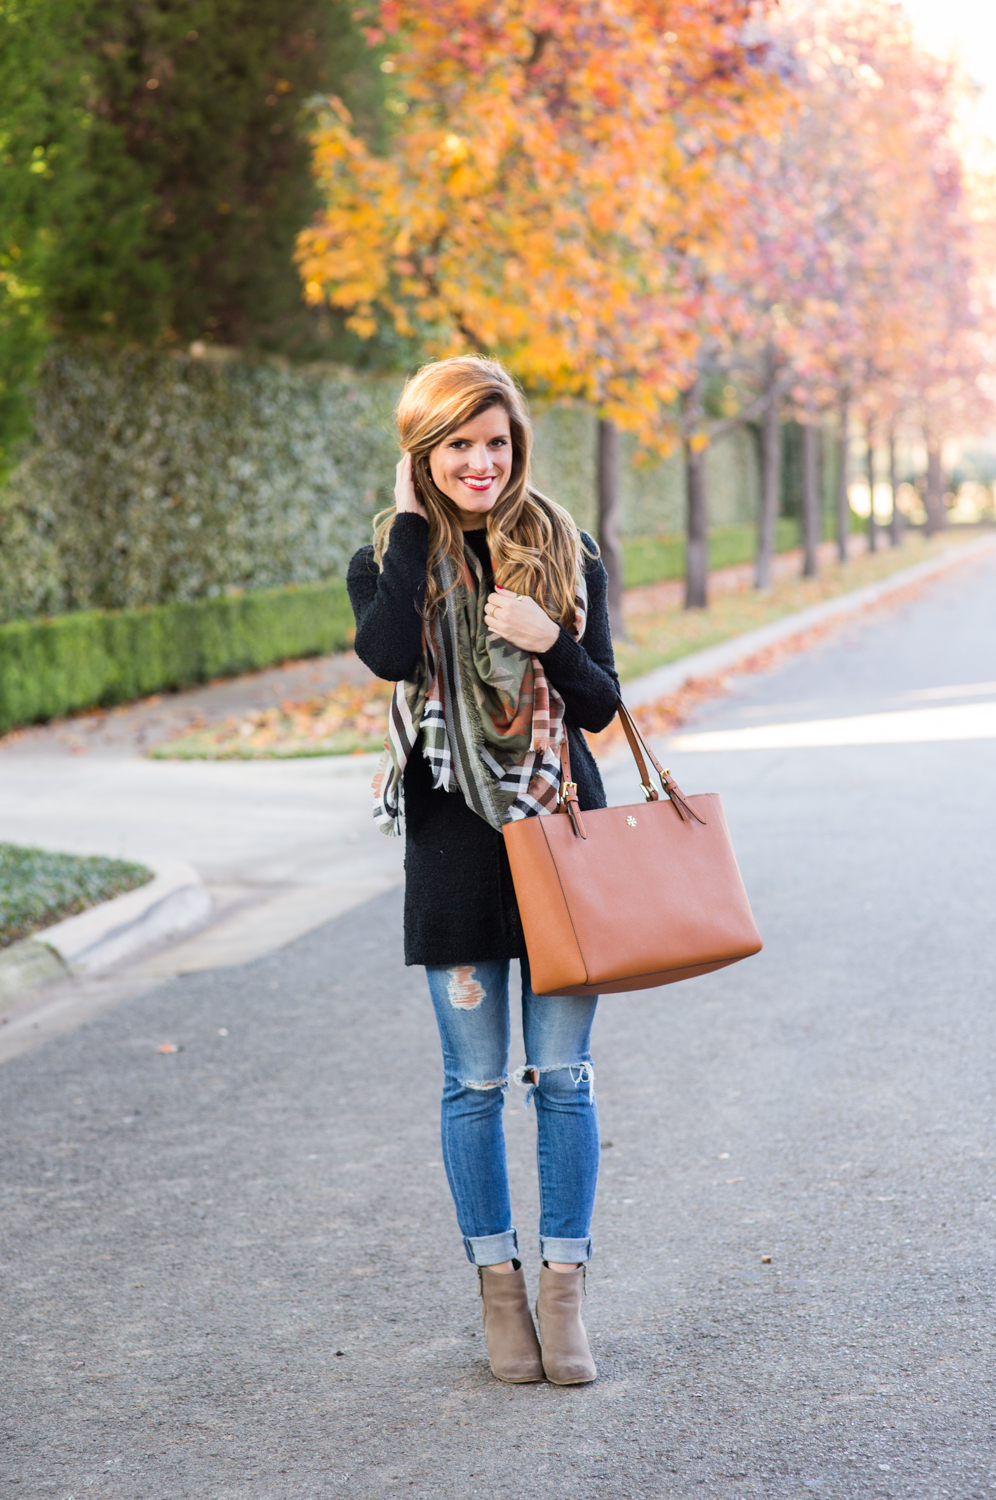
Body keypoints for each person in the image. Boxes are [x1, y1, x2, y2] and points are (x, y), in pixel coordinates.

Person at [346, 356, 619, 1384]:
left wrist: (549, 636)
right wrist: (417, 527)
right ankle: (498, 1297)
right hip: (454, 847)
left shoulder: (567, 548)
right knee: (472, 1083)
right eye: (458, 444)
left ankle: (565, 1292)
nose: (481, 463)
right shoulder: (386, 554)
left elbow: (599, 707)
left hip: (560, 844)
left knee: (563, 1079)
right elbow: (382, 655)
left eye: (495, 443)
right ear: (425, 453)